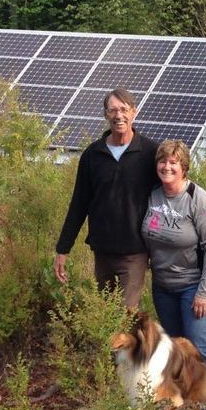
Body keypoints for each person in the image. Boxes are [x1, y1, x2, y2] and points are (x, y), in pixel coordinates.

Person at [141, 140, 206, 410]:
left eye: (174, 163)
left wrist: (204, 292)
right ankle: (195, 408)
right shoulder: (153, 196)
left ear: (183, 167)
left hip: (195, 287)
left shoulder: (199, 200)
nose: (167, 167)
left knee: (200, 344)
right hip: (164, 287)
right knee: (177, 348)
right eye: (163, 161)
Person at [53, 88, 158, 309]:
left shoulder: (150, 153)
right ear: (105, 115)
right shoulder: (93, 155)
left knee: (125, 315)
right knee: (106, 313)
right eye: (113, 110)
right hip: (102, 251)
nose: (119, 115)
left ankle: (127, 344)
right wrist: (63, 248)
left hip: (135, 252)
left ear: (134, 112)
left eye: (124, 109)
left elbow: (170, 197)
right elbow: (79, 204)